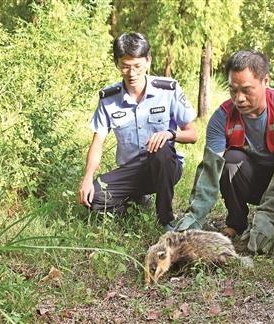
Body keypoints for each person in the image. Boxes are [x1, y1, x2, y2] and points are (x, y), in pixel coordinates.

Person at [175, 50, 274, 254]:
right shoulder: (222, 117)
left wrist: (267, 214)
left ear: (266, 81)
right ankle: (237, 222)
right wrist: (194, 217)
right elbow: (210, 172)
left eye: (247, 90)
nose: (239, 98)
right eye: (233, 90)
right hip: (252, 180)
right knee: (230, 160)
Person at [78, 32, 198, 231]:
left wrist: (170, 134)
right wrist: (88, 178)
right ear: (117, 63)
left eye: (137, 66)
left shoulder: (168, 90)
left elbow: (193, 135)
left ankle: (165, 219)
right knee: (95, 198)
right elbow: (97, 143)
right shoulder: (108, 98)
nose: (131, 73)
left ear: (148, 61)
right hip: (131, 170)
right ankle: (136, 202)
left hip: (165, 166)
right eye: (125, 66)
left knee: (160, 151)